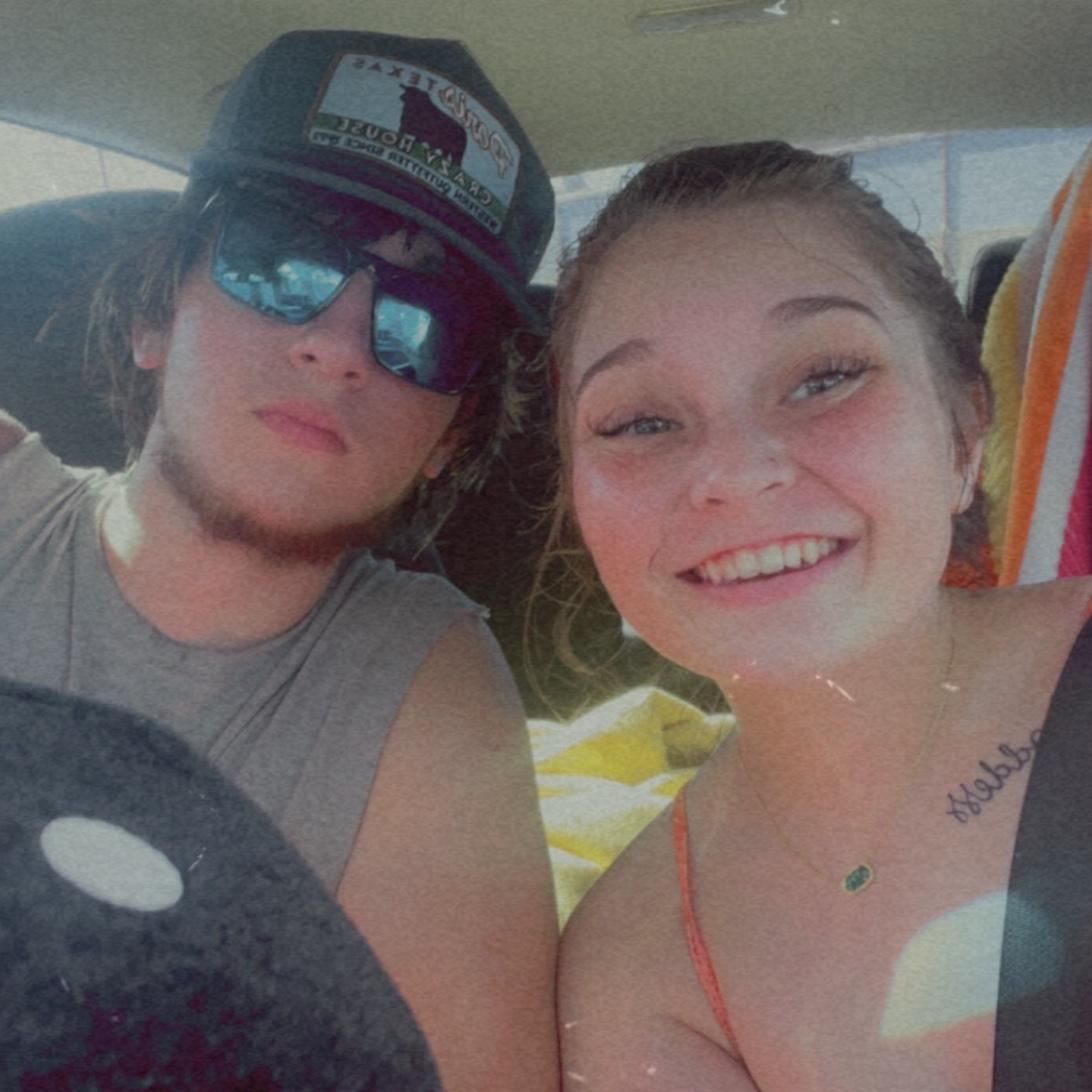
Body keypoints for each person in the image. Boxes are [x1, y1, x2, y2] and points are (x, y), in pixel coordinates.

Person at [0, 29, 559, 1092]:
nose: (339, 346)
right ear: (154, 313)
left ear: (449, 438)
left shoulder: (423, 684)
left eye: (427, 325)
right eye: (280, 259)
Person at [548, 141, 1092, 1090]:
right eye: (641, 423)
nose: (735, 472)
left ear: (965, 434)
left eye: (825, 377)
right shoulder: (636, 967)